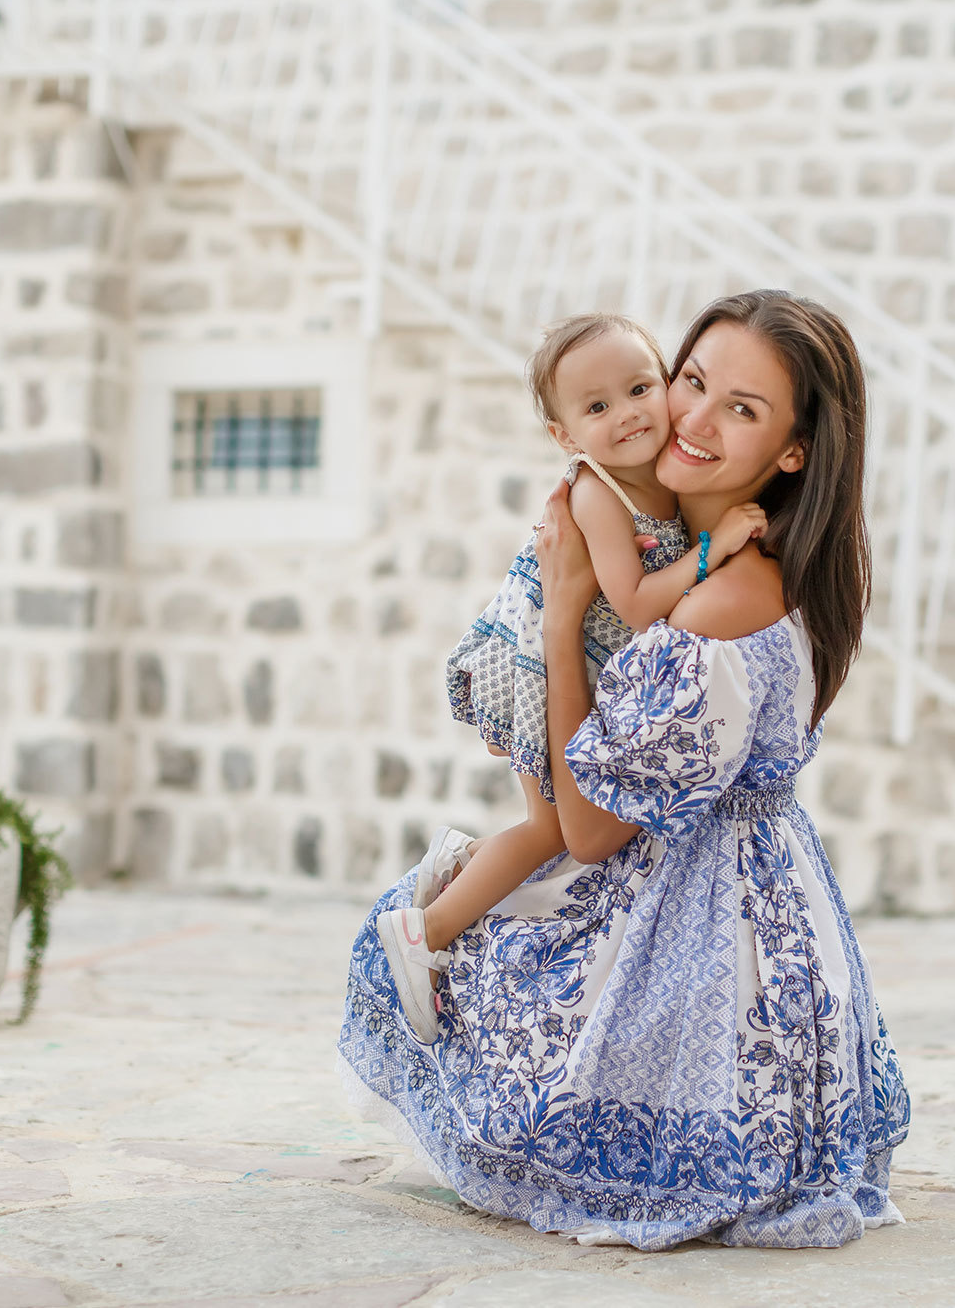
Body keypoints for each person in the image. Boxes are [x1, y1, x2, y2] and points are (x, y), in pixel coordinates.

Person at [340, 290, 911, 1251]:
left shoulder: (719, 594)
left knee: (446, 953)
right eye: (694, 382)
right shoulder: (711, 549)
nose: (686, 418)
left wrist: (563, 617)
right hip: (764, 904)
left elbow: (594, 828)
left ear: (792, 452)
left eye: (743, 409)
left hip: (714, 934)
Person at [375, 313, 768, 1042]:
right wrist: (715, 546)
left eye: (640, 388)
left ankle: (460, 866)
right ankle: (424, 930)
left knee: (555, 830)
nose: (627, 415)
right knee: (549, 827)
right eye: (596, 407)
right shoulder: (597, 493)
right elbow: (638, 602)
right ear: (565, 437)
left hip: (575, 667)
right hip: (535, 665)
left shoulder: (656, 474)